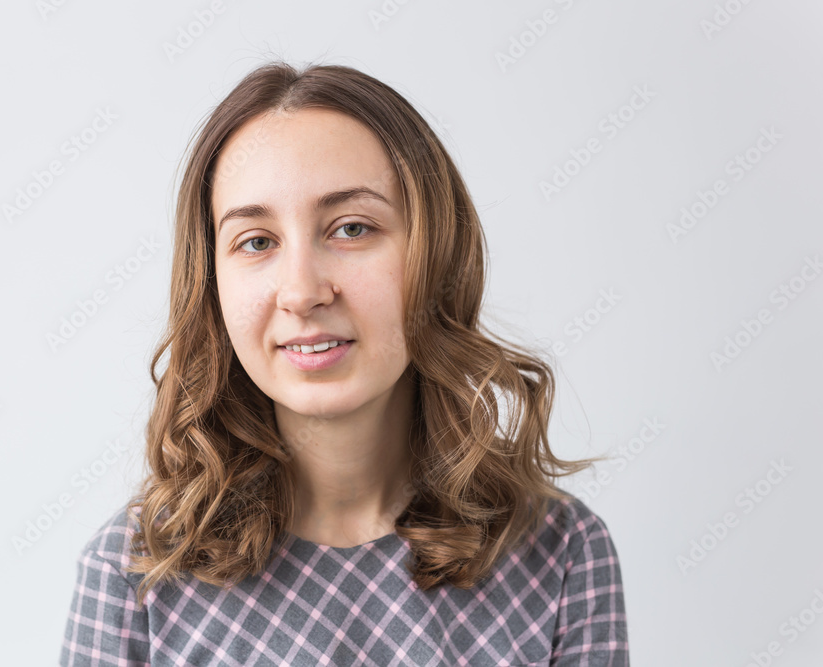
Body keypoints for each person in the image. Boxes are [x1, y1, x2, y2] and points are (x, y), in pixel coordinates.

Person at [59, 60, 629, 666]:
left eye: (352, 228)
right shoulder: (135, 570)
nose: (302, 291)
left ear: (436, 256)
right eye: (256, 241)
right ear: (212, 285)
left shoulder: (563, 554)